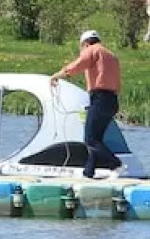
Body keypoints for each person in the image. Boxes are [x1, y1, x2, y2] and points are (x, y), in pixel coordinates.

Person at [52, 29, 122, 178]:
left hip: (99, 98)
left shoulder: (92, 50)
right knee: (97, 139)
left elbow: (78, 65)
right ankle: (88, 172)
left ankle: (116, 164)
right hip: (112, 100)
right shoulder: (111, 55)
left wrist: (58, 75)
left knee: (90, 139)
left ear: (85, 43)